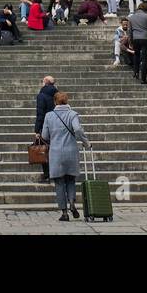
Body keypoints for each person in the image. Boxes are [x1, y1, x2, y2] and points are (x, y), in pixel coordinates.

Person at [40, 91, 90, 221]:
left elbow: (45, 136)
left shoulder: (49, 116)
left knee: (59, 182)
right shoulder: (72, 114)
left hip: (56, 153)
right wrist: (86, 143)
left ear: (55, 102)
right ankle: (72, 203)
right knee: (70, 180)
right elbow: (78, 129)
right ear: (67, 101)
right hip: (71, 151)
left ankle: (64, 213)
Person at [32, 75, 58, 182]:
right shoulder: (57, 94)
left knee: (44, 150)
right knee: (55, 150)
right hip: (57, 126)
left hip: (46, 126)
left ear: (45, 82)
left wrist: (37, 130)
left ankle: (47, 174)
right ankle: (56, 173)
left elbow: (40, 113)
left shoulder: (42, 95)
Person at [128, 3, 147, 84]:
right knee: (144, 59)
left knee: (136, 56)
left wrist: (130, 41)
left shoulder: (131, 17)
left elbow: (130, 31)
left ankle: (136, 72)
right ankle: (143, 79)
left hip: (135, 38)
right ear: (145, 9)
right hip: (145, 38)